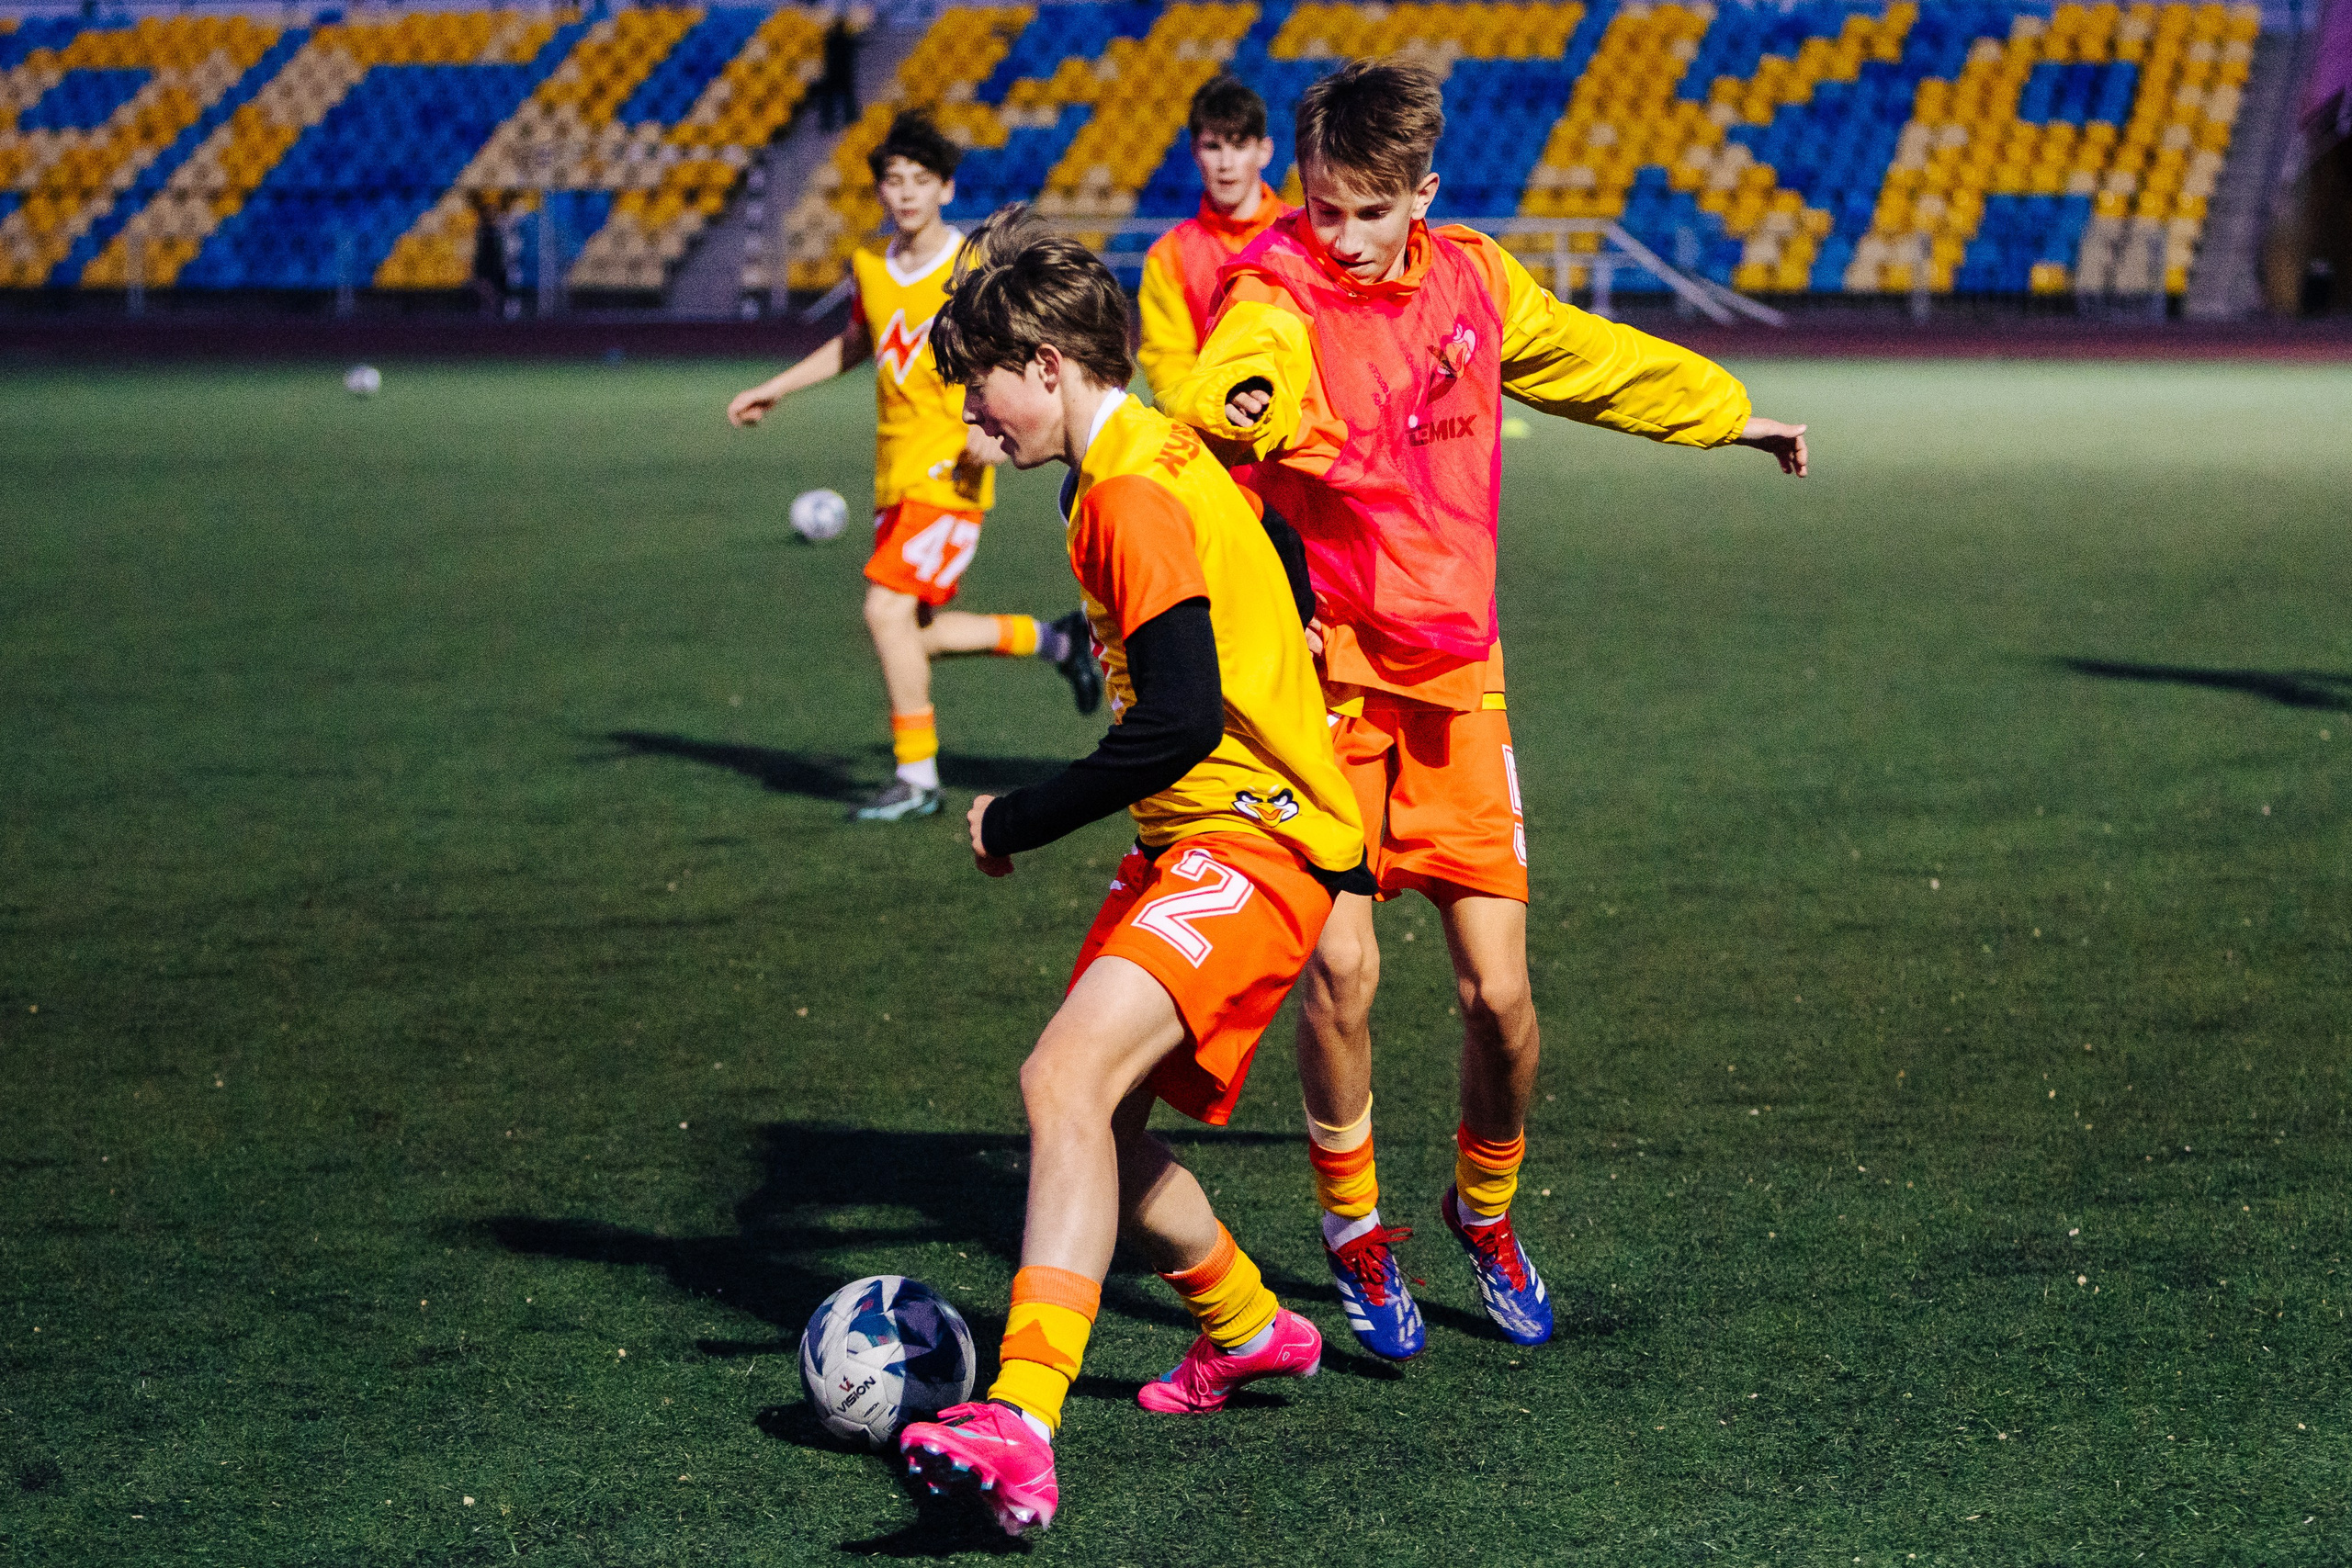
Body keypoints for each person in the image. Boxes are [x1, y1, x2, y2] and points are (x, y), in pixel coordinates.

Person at [1162, 61, 1810, 1362]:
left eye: (1362, 212)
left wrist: (1731, 417)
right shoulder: (1273, 296)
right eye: (1319, 204)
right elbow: (1222, 391)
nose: (1333, 235)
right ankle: (1357, 1236)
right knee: (1341, 973)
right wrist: (1242, 422)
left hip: (1460, 690)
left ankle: (1483, 1207)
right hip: (1326, 694)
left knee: (1499, 1002)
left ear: (1421, 196)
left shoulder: (1475, 279)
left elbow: (1592, 360)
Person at [894, 208, 1376, 1538]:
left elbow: (1176, 715)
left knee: (1060, 1078)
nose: (973, 420)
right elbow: (1268, 555)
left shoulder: (1125, 490)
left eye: (983, 387)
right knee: (1097, 1115)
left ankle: (1024, 1419)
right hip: (1207, 831)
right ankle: (1248, 1321)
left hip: (1246, 837)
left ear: (1048, 361)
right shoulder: (1152, 451)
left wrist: (1014, 818)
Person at [729, 112, 1099, 822]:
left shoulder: (970, 266)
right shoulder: (871, 268)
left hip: (951, 476)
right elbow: (855, 344)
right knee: (911, 630)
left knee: (883, 609)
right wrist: (776, 386)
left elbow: (1020, 344)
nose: (904, 193)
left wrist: (998, 429)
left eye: (919, 180)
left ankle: (917, 778)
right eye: (893, 180)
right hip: (893, 478)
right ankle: (1061, 641)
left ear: (946, 187)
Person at [1134, 73, 1292, 400]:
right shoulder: (1168, 256)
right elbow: (1169, 361)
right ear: (1195, 152)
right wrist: (1215, 407)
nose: (1225, 163)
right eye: (1213, 146)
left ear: (1264, 151)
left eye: (1238, 145)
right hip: (1211, 425)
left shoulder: (1303, 233)